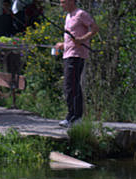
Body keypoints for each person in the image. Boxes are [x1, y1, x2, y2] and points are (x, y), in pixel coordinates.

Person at [52, 0, 98, 128]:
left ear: (71, 1)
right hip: (68, 53)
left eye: (63, 2)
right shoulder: (68, 16)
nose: (61, 5)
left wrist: (82, 39)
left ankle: (74, 116)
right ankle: (74, 116)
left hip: (77, 55)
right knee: (70, 85)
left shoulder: (81, 14)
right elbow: (71, 37)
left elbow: (95, 28)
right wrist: (63, 44)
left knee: (71, 85)